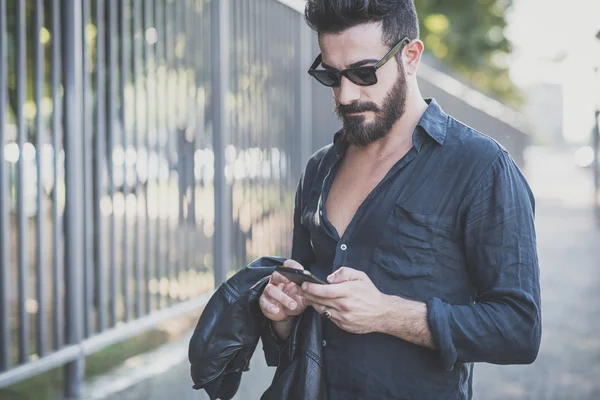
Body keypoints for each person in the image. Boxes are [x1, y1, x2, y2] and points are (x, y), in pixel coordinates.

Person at [258, 1, 542, 399]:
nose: (346, 94)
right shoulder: (319, 168)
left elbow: (519, 330)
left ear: (410, 56)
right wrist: (284, 317)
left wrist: (388, 313)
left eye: (363, 72)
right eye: (331, 75)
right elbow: (303, 318)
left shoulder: (481, 167)